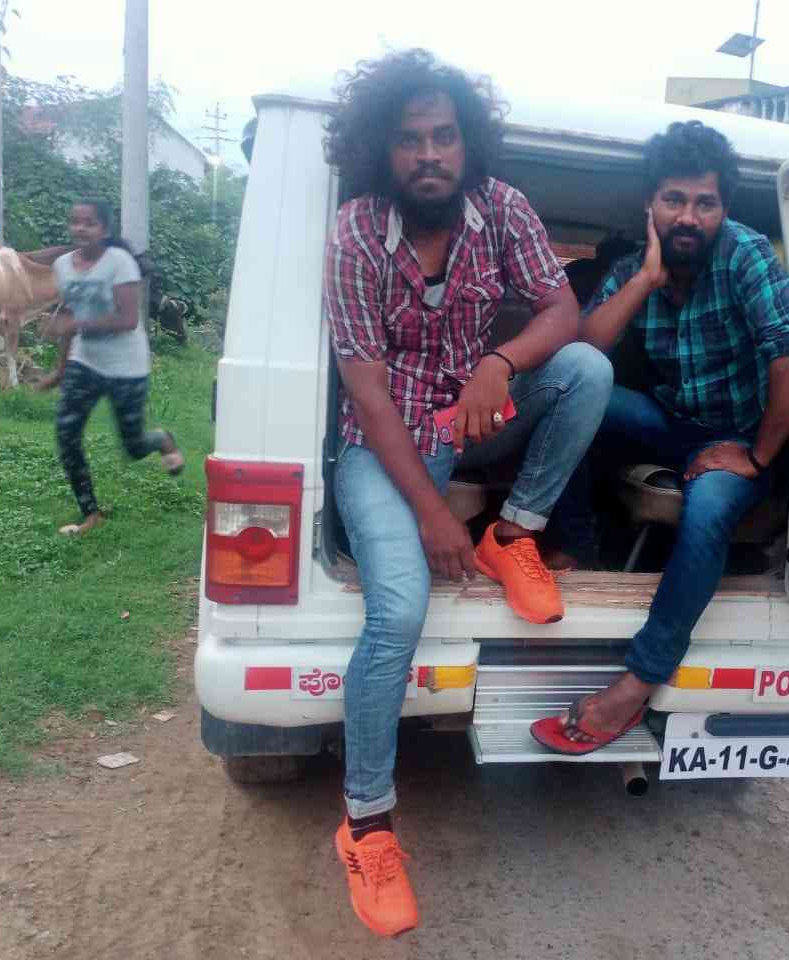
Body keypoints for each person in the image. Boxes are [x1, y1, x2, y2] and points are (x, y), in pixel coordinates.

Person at [321, 49, 612, 937]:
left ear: (466, 142)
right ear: (382, 149)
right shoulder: (357, 233)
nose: (429, 155)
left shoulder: (503, 208)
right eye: (409, 140)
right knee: (398, 611)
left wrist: (500, 362)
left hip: (471, 418)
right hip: (382, 449)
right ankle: (367, 824)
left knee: (586, 370)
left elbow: (562, 311)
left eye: (444, 136)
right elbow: (367, 391)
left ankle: (512, 535)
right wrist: (431, 515)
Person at [534, 120, 789, 754]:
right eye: (674, 200)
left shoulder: (743, 254)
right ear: (651, 205)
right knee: (572, 387)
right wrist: (643, 280)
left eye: (705, 202)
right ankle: (575, 546)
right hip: (672, 423)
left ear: (723, 209)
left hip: (740, 439)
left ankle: (638, 681)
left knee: (707, 510)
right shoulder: (636, 268)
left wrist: (758, 455)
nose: (689, 217)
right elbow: (583, 351)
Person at [44, 199, 184, 536]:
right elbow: (69, 316)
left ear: (104, 229)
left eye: (89, 222)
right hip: (85, 362)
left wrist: (75, 324)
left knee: (133, 447)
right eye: (75, 221)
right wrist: (60, 370)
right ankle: (91, 514)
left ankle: (161, 439)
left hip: (127, 367)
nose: (80, 228)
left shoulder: (120, 262)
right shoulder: (63, 265)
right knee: (67, 436)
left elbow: (127, 319)